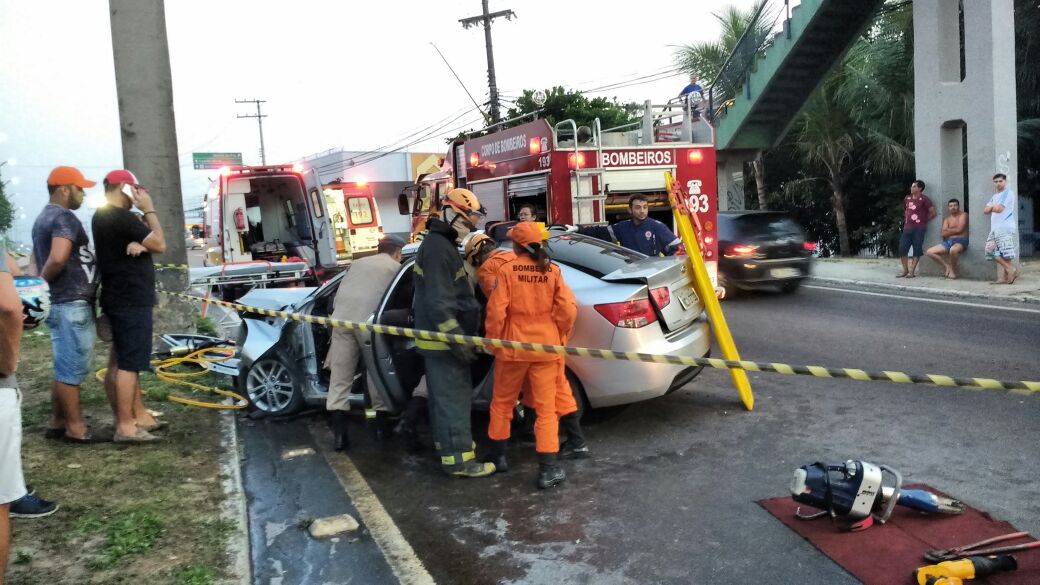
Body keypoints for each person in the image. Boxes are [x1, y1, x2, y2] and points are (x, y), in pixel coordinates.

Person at [484, 222, 586, 489]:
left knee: (502, 403)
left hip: (513, 348)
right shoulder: (552, 270)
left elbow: (496, 311)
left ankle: (499, 458)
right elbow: (567, 310)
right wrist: (559, 336)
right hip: (546, 349)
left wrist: (493, 343)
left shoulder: (505, 270)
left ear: (516, 246)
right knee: (546, 410)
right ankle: (547, 470)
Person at [412, 188, 495, 478]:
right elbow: (439, 301)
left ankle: (449, 450)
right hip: (444, 344)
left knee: (445, 401)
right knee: (453, 402)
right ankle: (460, 462)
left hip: (445, 342)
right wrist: (456, 338)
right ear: (450, 214)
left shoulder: (442, 246)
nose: (468, 228)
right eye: (465, 221)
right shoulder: (437, 248)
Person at [92, 170, 166, 443]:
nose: (138, 195)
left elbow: (144, 244)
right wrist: (149, 210)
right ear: (124, 188)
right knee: (129, 364)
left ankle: (137, 416)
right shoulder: (121, 217)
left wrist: (141, 244)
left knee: (119, 361)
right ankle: (126, 427)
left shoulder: (104, 217)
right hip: (131, 299)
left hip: (118, 297)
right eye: (134, 190)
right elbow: (160, 242)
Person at [32, 166, 101, 443]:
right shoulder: (63, 217)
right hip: (71, 303)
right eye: (79, 188)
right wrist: (41, 285)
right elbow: (58, 258)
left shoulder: (42, 218)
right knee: (71, 369)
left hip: (63, 304)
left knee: (64, 365)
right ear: (64, 189)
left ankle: (59, 421)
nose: (83, 194)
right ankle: (76, 428)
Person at [324, 235, 405, 450]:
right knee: (375, 373)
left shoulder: (357, 263)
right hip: (368, 327)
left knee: (340, 378)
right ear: (397, 252)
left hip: (341, 321)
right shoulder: (395, 267)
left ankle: (340, 437)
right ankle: (380, 428)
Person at [579, 194, 682, 256]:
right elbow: (600, 233)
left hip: (652, 277)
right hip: (631, 274)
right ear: (630, 210)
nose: (642, 211)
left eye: (645, 207)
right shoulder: (622, 228)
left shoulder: (658, 227)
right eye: (638, 207)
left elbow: (678, 250)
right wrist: (577, 229)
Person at [984, 173, 1020, 284]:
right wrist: (992, 208)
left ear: (1005, 182)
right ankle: (1010, 269)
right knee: (990, 250)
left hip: (1005, 227)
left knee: (1006, 252)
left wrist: (991, 208)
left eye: (1000, 181)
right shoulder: (994, 197)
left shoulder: (1008, 194)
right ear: (993, 183)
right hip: (995, 228)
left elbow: (999, 209)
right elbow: (985, 210)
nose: (998, 183)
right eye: (996, 181)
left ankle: (1006, 275)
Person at [897, 180, 936, 278]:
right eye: (912, 186)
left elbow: (933, 212)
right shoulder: (907, 198)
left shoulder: (925, 199)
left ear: (920, 188)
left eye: (914, 186)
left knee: (917, 249)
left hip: (919, 229)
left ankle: (912, 272)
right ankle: (905, 270)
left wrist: (924, 221)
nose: (911, 188)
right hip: (907, 228)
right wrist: (906, 219)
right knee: (902, 248)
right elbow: (906, 210)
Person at [925, 198, 969, 279]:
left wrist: (948, 230)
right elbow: (943, 234)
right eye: (951, 206)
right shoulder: (947, 219)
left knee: (953, 250)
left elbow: (960, 230)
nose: (953, 207)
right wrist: (952, 231)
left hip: (961, 241)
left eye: (955, 205)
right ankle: (947, 266)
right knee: (930, 252)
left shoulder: (964, 215)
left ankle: (953, 271)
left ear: (959, 206)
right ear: (948, 207)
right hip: (949, 242)